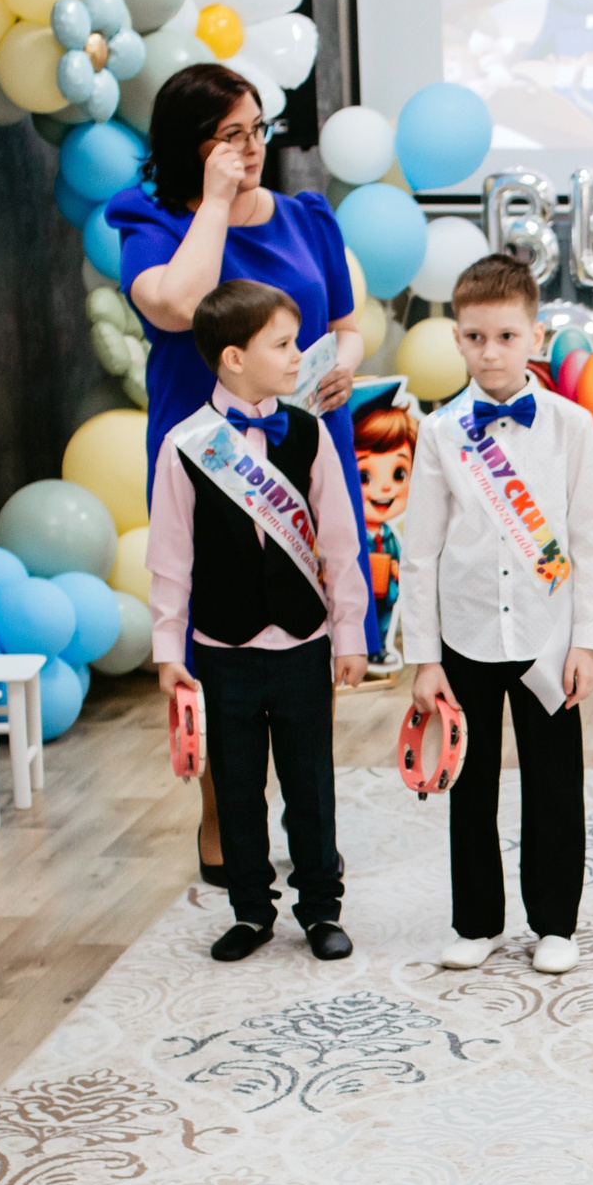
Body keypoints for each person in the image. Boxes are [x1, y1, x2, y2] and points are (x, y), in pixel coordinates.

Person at [108, 63, 367, 887]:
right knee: (217, 640)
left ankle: (308, 821)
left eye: (257, 130)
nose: (251, 148)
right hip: (209, 459)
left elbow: (346, 321)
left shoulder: (307, 216)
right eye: (230, 135)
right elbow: (176, 307)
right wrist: (215, 204)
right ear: (190, 146)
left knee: (304, 627)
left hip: (303, 444)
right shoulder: (149, 219)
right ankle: (224, 821)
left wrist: (345, 363)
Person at [403, 253, 593, 977]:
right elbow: (420, 553)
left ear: (535, 337)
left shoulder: (571, 426)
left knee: (554, 783)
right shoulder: (440, 432)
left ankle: (554, 922)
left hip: (546, 634)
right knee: (469, 783)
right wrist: (423, 658)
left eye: (505, 336)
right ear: (457, 339)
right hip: (464, 634)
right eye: (474, 337)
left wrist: (586, 641)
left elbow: (591, 543)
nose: (489, 352)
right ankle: (477, 921)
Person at [148, 281, 370, 962]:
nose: (300, 355)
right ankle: (250, 912)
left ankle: (321, 909)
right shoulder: (187, 445)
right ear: (234, 357)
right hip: (224, 648)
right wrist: (168, 649)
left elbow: (340, 541)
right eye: (284, 344)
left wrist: (350, 633)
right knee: (238, 788)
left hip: (304, 642)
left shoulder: (307, 432)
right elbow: (170, 558)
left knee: (311, 784)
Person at [351, 379, 419, 674]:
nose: (385, 488)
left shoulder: (389, 534)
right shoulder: (352, 534)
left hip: (387, 590)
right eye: (365, 477)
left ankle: (377, 649)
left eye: (399, 474)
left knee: (384, 617)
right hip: (358, 589)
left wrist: (397, 570)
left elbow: (399, 557)